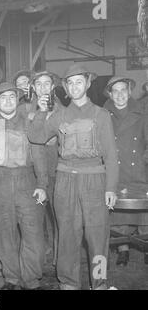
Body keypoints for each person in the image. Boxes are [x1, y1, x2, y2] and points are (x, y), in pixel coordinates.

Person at [28, 64, 119, 290]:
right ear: (65, 88)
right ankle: (68, 283)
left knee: (98, 237)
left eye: (79, 81)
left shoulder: (101, 114)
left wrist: (111, 188)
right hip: (65, 181)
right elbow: (36, 136)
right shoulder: (59, 115)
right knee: (68, 235)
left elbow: (111, 155)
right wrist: (41, 111)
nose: (75, 86)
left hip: (95, 182)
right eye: (70, 82)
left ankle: (99, 283)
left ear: (87, 84)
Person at [0, 82, 48, 289]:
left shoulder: (29, 122)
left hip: (26, 181)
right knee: (4, 233)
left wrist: (42, 184)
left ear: (18, 99)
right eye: (3, 98)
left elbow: (38, 154)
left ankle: (31, 278)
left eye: (12, 97)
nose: (8, 101)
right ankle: (11, 277)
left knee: (33, 234)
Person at [103, 76, 148, 266]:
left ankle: (146, 247)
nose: (120, 94)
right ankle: (123, 250)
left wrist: (143, 161)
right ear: (110, 94)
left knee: (144, 216)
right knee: (118, 215)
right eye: (116, 91)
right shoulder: (103, 115)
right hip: (115, 172)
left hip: (139, 172)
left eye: (124, 90)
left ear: (129, 92)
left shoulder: (143, 112)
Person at [30, 71, 64, 266]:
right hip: (31, 171)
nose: (43, 88)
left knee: (59, 218)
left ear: (52, 87)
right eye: (39, 84)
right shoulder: (25, 109)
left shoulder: (62, 110)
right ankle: (35, 259)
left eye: (47, 84)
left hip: (55, 171)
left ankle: (59, 258)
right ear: (33, 88)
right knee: (34, 219)